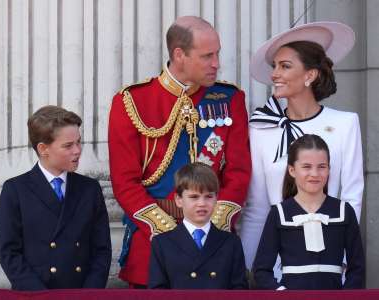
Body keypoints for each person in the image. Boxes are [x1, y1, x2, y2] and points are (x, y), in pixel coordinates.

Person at [108, 16, 251, 287]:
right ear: (179, 54)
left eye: (217, 54)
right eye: (207, 55)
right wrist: (170, 233)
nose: (216, 63)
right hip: (153, 244)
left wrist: (212, 222)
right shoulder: (132, 101)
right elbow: (125, 183)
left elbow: (239, 173)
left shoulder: (230, 99)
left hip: (214, 245)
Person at [239, 22, 364, 276]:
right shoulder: (261, 129)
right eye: (275, 66)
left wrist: (340, 259)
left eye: (285, 66)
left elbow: (351, 200)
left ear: (310, 75)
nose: (275, 74)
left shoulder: (345, 124)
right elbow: (257, 209)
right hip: (276, 269)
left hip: (328, 263)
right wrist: (248, 268)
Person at [0, 105, 112, 290]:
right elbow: (10, 253)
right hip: (35, 295)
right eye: (68, 145)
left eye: (78, 142)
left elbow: (101, 250)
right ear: (43, 149)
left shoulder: (90, 189)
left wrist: (89, 294)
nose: (77, 150)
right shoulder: (15, 190)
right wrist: (41, 295)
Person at [253, 134, 365, 289]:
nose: (315, 173)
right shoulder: (279, 213)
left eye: (322, 166)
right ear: (292, 170)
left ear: (329, 169)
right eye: (306, 167)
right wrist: (282, 293)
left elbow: (358, 268)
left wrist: (345, 296)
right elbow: (261, 271)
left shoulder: (344, 211)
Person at [148, 162, 248, 289]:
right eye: (194, 197)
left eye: (208, 196)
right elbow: (157, 292)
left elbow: (239, 290)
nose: (202, 203)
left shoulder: (231, 242)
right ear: (179, 200)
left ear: (216, 198)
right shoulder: (162, 243)